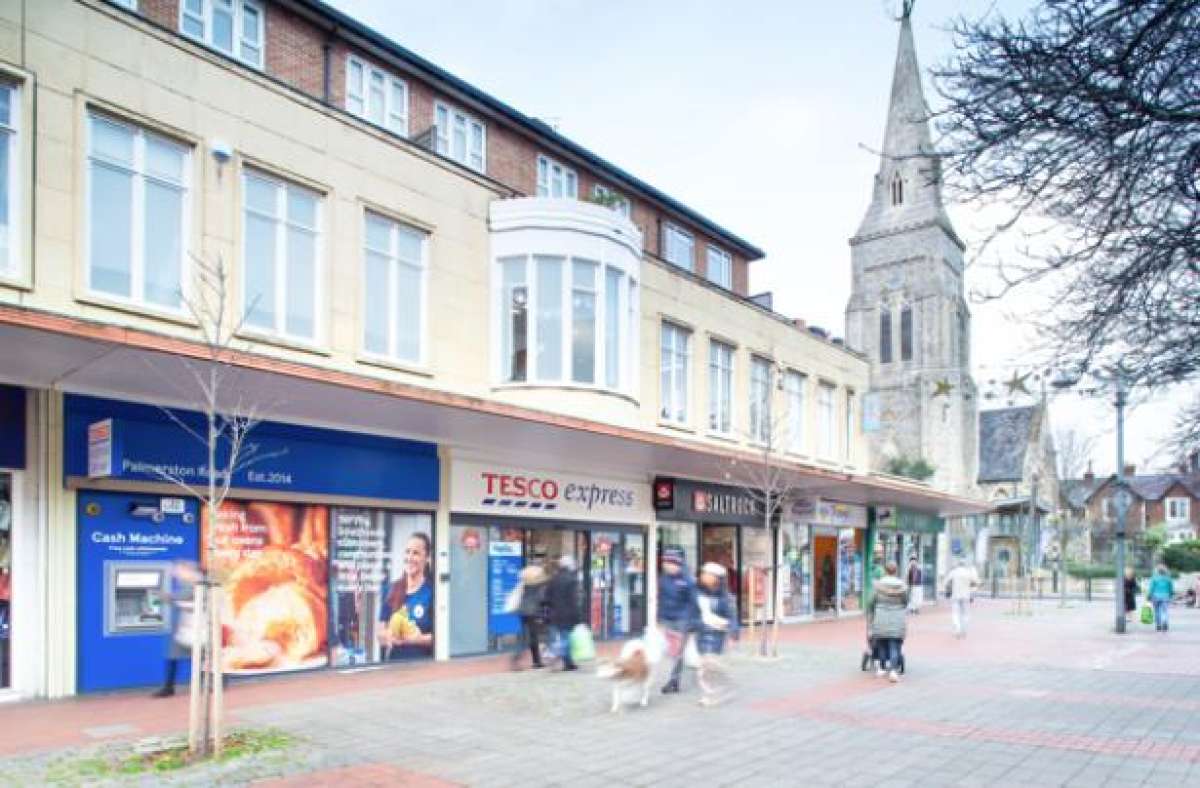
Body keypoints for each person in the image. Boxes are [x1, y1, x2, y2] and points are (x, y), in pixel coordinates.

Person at [378, 532, 434, 659]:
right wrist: (389, 636)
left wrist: (419, 639)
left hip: (424, 666)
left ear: (427, 558)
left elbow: (442, 638)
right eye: (407, 552)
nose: (410, 557)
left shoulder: (432, 592)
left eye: (416, 553)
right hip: (395, 665)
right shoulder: (391, 589)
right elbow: (380, 633)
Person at [152, 559, 201, 698]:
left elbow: (181, 598)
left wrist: (163, 596)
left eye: (178, 570)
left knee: (197, 657)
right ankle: (169, 687)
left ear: (187, 570)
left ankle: (170, 687)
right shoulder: (187, 583)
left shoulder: (196, 583)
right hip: (185, 628)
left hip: (194, 628)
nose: (175, 572)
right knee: (173, 657)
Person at [695, 562, 737, 706]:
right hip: (701, 636)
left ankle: (715, 693)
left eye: (708, 574)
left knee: (711, 667)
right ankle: (712, 693)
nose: (704, 576)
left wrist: (733, 632)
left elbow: (732, 616)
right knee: (704, 668)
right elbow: (693, 612)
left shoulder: (725, 598)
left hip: (716, 637)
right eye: (703, 573)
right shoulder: (698, 593)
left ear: (717, 578)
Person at [657, 547, 698, 694]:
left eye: (670, 563)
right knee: (671, 651)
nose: (666, 565)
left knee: (677, 652)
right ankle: (675, 676)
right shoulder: (663, 579)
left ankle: (673, 681)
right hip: (668, 619)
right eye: (665, 562)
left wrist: (693, 623)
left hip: (683, 621)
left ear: (678, 563)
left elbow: (694, 602)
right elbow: (661, 600)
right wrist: (659, 618)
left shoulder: (688, 580)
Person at [866, 561, 908, 682]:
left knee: (881, 643)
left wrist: (871, 616)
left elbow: (871, 602)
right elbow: (905, 602)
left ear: (885, 571)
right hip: (897, 618)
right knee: (894, 645)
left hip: (881, 618)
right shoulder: (902, 586)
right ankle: (893, 671)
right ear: (896, 571)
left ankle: (882, 668)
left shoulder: (878, 586)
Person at [546, 555, 582, 670]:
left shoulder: (554, 579)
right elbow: (573, 599)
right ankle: (555, 653)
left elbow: (547, 597)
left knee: (563, 637)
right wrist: (578, 616)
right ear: (570, 566)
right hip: (568, 613)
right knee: (566, 638)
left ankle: (568, 662)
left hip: (555, 613)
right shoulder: (572, 579)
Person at [510, 562, 547, 670]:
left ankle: (535, 661)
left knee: (526, 636)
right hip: (532, 612)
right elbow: (541, 598)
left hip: (523, 611)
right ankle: (530, 660)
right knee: (532, 637)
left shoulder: (525, 584)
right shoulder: (538, 585)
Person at [944, 559, 979, 639]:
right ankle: (964, 629)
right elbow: (976, 582)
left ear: (958, 565)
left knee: (955, 613)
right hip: (966, 596)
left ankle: (957, 629)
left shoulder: (954, 572)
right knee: (965, 613)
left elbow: (945, 582)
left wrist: (949, 588)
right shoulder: (968, 573)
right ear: (964, 565)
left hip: (955, 595)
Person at [1148, 565, 1175, 632]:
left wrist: (1149, 595)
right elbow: (1171, 588)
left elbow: (1151, 588)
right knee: (1165, 611)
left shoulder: (1154, 578)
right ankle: (1165, 622)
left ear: (1157, 571)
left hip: (1155, 596)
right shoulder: (1168, 579)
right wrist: (1171, 594)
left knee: (1157, 611)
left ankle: (1158, 625)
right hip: (1166, 596)